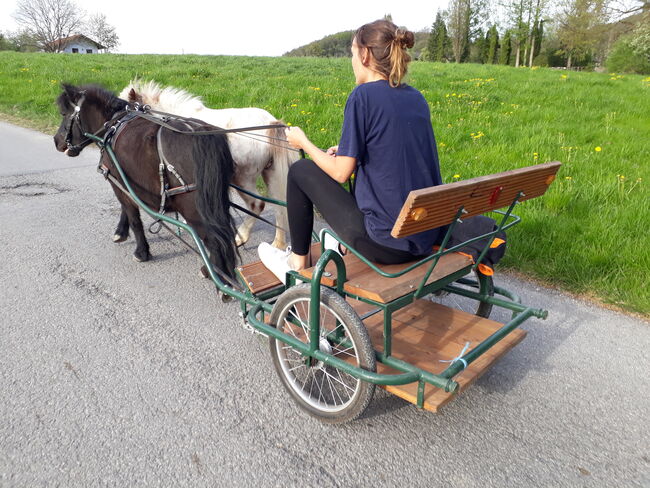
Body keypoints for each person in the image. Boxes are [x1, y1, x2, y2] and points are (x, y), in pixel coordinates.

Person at [258, 19, 443, 283]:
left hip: (385, 244)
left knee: (300, 170)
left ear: (365, 55)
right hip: (423, 235)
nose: (352, 61)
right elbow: (393, 150)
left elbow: (341, 173)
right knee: (321, 166)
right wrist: (348, 150)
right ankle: (332, 246)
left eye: (352, 53)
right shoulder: (415, 97)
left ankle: (296, 263)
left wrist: (304, 144)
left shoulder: (362, 96)